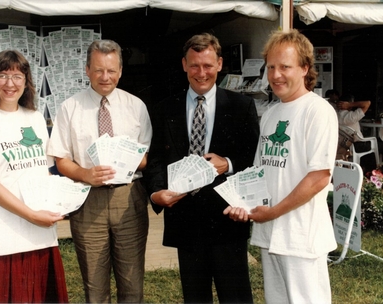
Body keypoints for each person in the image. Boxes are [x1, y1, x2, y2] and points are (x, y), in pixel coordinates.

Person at [224, 29, 338, 304]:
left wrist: (273, 212)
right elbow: (260, 172)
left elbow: (319, 177)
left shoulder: (318, 111)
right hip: (270, 234)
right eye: (271, 67)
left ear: (304, 68)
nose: (275, 75)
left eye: (285, 67)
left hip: (301, 237)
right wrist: (244, 205)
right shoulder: (272, 113)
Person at [145, 33, 259, 303]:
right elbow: (157, 160)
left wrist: (228, 163)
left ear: (220, 64)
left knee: (236, 296)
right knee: (195, 297)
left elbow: (253, 158)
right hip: (186, 220)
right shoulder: (164, 109)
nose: (201, 73)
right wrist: (156, 192)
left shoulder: (242, 106)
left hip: (228, 218)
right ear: (184, 64)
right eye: (194, 65)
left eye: (208, 65)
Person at [0, 50, 68, 303]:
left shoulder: (36, 118)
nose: (10, 84)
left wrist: (62, 202)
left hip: (39, 235)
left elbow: (44, 172)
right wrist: (32, 215)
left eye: (17, 76)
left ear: (26, 81)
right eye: (3, 75)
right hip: (1, 238)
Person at [47, 39, 152, 303]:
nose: (105, 77)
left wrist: (130, 159)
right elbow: (61, 158)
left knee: (132, 284)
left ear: (120, 71)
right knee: (94, 286)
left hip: (128, 199)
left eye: (111, 70)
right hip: (87, 200)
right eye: (98, 70)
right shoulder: (70, 108)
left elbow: (148, 157)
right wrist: (86, 175)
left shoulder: (136, 106)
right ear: (87, 70)